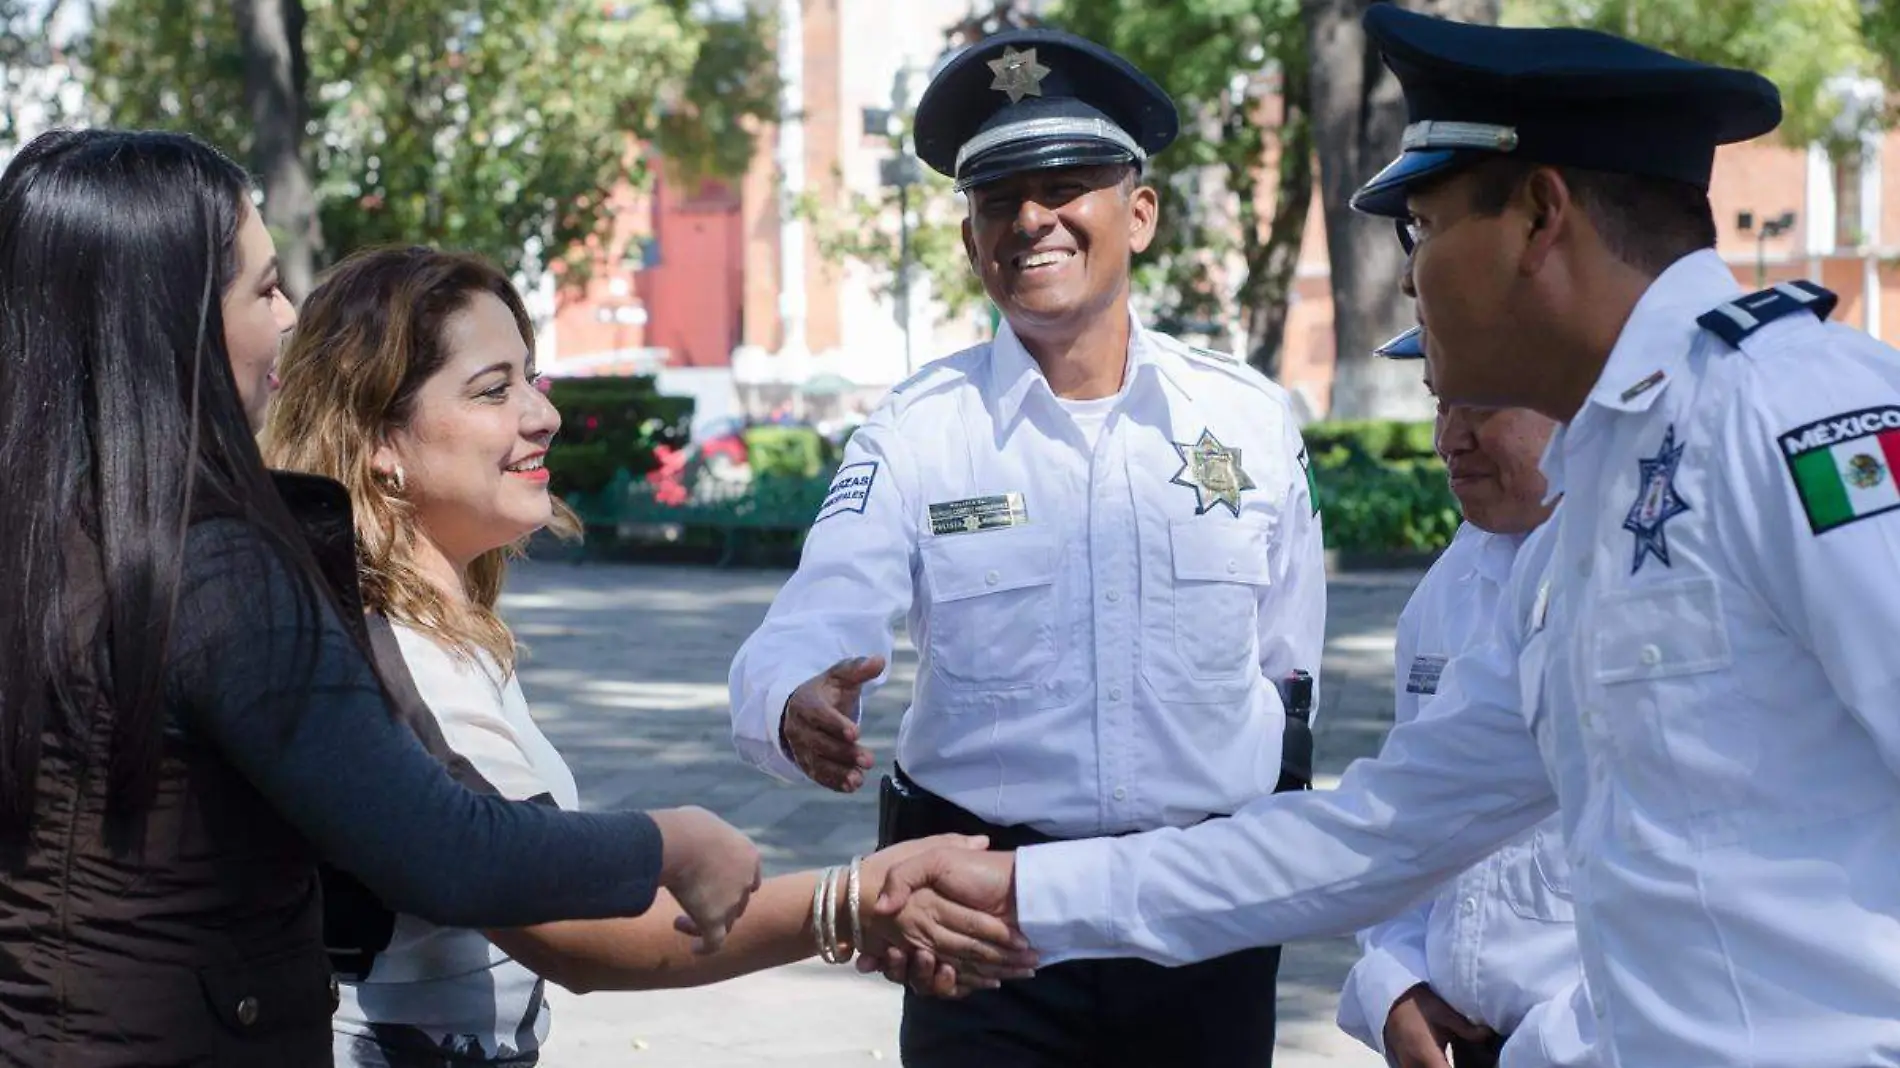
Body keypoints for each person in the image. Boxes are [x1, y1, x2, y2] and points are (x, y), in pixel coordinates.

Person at [875, 9, 1900, 1066]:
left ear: (1539, 216)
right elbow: (1380, 834)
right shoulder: (1579, 521)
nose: (1409, 279)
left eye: (1424, 228)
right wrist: (1024, 890)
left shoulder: (1790, 413)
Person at [0, 129, 761, 1067]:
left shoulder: (51, 539)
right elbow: (443, 849)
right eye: (264, 287)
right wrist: (669, 842)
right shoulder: (214, 569)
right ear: (173, 319)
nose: (287, 320)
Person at [261, 245, 1030, 1065]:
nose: (541, 414)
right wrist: (851, 899)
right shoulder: (390, 645)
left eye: (532, 378)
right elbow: (573, 932)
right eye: (494, 390)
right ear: (381, 441)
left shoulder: (436, 629)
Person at [726, 27, 1326, 1068]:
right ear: (969, 240)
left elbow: (1289, 666)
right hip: (982, 921)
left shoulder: (1247, 419)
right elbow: (814, 617)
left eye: (1066, 186)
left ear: (1138, 213)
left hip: (1199, 912)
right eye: (998, 199)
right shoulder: (918, 429)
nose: (1030, 220)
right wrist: (792, 701)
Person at [1336, 326, 1581, 1068]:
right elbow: (1410, 812)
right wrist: (1393, 981)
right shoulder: (1451, 583)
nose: (1449, 439)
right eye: (1440, 403)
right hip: (1463, 1043)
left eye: (1480, 406)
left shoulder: (1635, 578)